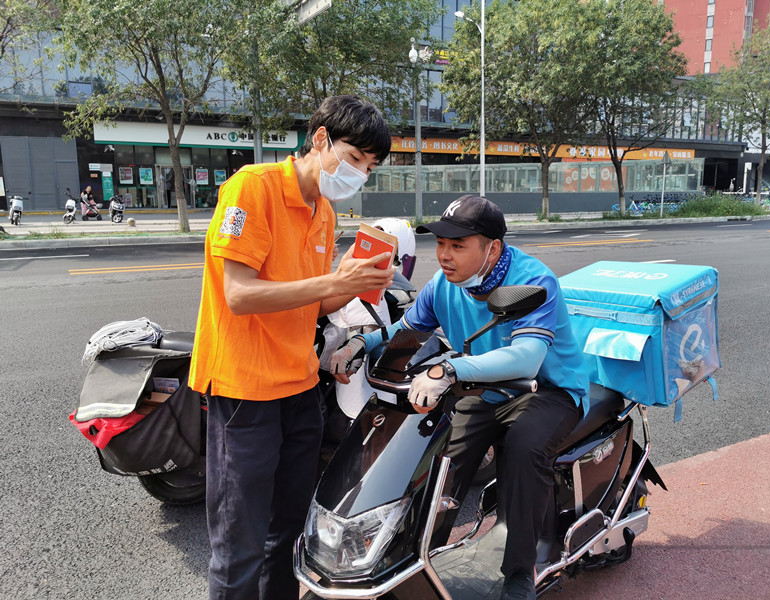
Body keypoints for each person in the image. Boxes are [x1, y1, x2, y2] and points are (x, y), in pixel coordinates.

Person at [187, 94, 395, 600]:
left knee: (287, 535)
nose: (359, 174)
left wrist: (354, 286)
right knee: (239, 542)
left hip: (300, 388)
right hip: (246, 390)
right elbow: (239, 295)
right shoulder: (252, 188)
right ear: (321, 138)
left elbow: (310, 304)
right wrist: (333, 283)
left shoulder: (322, 212)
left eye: (369, 168)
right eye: (355, 158)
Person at [331, 195, 590, 600]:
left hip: (549, 389)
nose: (444, 255)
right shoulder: (443, 286)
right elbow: (409, 330)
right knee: (437, 457)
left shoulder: (534, 282)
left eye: (457, 245)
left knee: (523, 449)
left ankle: (520, 572)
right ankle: (414, 558)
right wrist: (363, 344)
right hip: (485, 388)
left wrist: (449, 371)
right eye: (440, 244)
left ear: (492, 249)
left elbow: (528, 357)